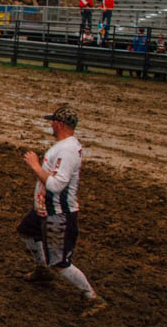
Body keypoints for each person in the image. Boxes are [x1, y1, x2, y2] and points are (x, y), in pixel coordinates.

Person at [18, 105, 105, 316]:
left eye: (52, 122)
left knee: (60, 262)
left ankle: (91, 297)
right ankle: (42, 270)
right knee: (27, 232)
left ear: (59, 124)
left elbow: (57, 185)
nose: (50, 125)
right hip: (44, 209)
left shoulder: (66, 151)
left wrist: (35, 166)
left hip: (57, 213)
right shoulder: (66, 146)